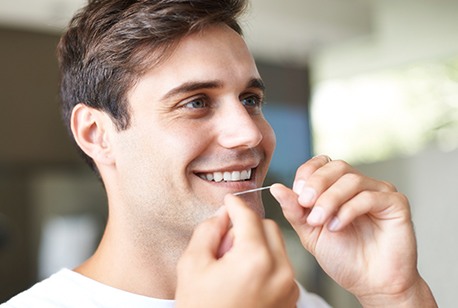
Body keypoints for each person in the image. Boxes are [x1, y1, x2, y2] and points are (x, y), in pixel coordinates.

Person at [2, 0, 437, 307]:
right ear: (97, 134)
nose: (249, 134)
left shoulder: (297, 302)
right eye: (196, 102)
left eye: (250, 99)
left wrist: (394, 295)